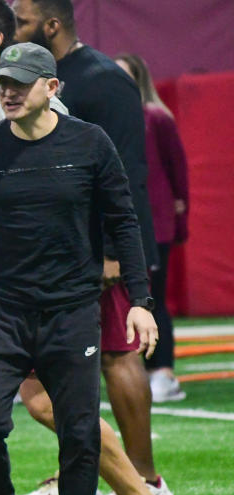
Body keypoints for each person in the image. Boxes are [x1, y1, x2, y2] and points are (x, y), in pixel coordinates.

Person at [0, 4, 155, 495]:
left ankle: (142, 488)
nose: (9, 92)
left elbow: (123, 223)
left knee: (78, 433)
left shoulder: (90, 144)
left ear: (52, 88)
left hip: (71, 309)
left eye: (20, 83)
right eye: (4, 83)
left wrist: (142, 303)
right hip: (3, 308)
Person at [12, 2, 173, 495]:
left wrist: (111, 252)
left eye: (21, 20)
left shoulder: (103, 78)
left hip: (101, 250)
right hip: (60, 252)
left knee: (117, 357)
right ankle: (87, 474)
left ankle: (146, 479)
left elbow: (124, 172)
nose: (13, 28)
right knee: (70, 365)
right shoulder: (45, 78)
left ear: (51, 25)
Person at [115, 53, 189, 403]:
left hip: (155, 225)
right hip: (124, 225)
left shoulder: (156, 118)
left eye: (125, 77)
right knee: (127, 299)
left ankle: (164, 372)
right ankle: (140, 369)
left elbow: (178, 173)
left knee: (153, 298)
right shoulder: (111, 121)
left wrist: (178, 222)